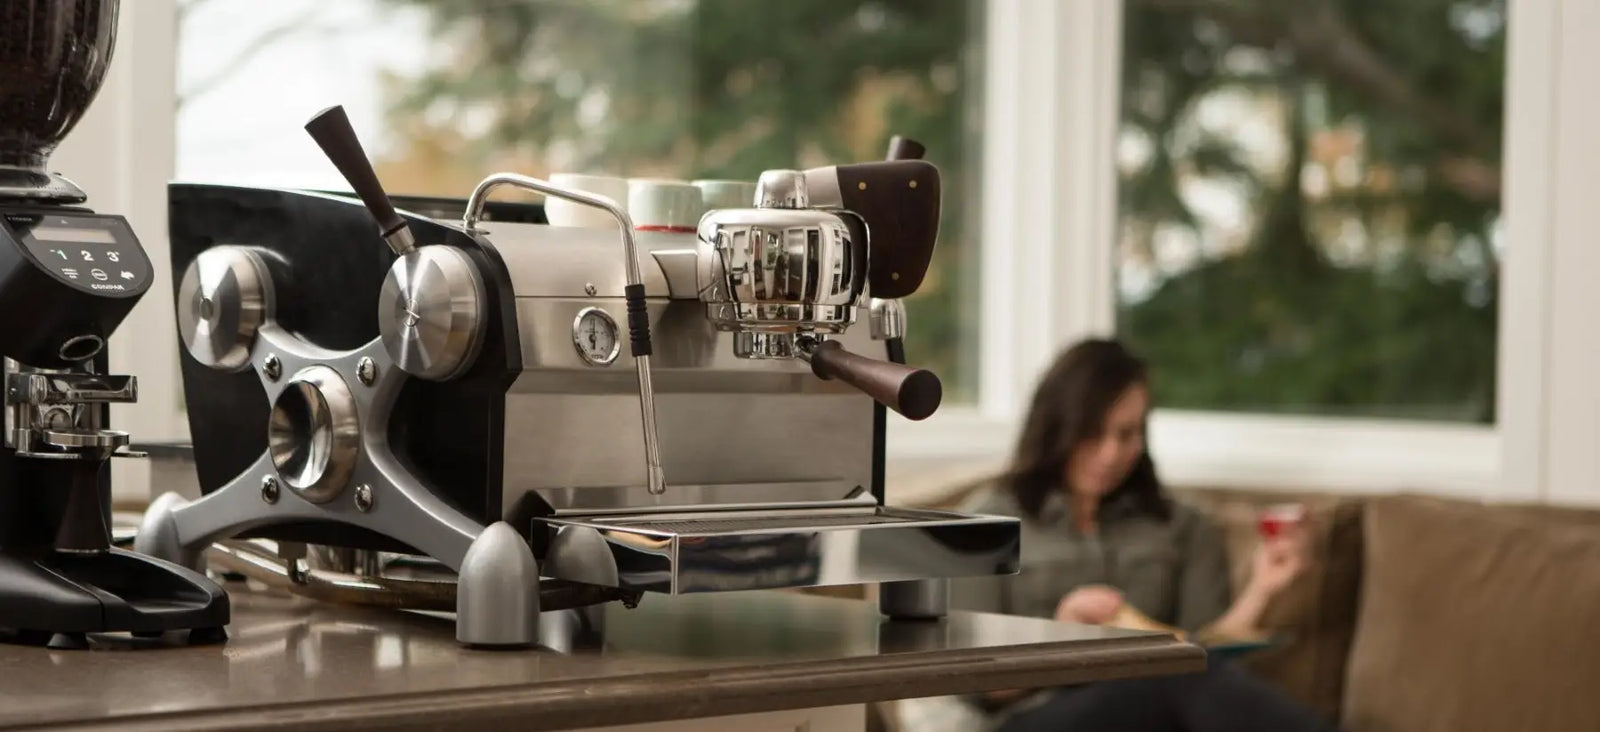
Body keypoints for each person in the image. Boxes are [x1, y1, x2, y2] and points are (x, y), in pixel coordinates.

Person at [949, 338, 1336, 732]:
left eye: (1127, 434)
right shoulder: (985, 524)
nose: (1110, 455)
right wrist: (1060, 639)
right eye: (1092, 434)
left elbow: (1210, 655)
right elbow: (977, 685)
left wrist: (1264, 589)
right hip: (1036, 717)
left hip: (1160, 709)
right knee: (1170, 673)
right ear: (1056, 428)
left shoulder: (1181, 525)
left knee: (1182, 669)